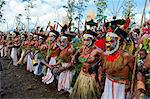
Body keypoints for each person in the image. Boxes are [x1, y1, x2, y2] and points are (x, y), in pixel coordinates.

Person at [94, 32, 134, 99]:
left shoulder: (126, 56)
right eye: (107, 41)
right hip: (108, 84)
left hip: (121, 87)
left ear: (118, 41)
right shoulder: (105, 55)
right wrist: (99, 80)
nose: (108, 44)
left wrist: (134, 89)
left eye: (111, 41)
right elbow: (101, 69)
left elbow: (134, 73)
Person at [70, 34, 103, 99]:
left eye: (87, 40)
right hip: (82, 74)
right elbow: (78, 51)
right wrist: (73, 57)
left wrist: (99, 75)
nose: (85, 42)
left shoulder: (96, 50)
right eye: (84, 40)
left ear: (92, 40)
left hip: (91, 75)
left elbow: (103, 60)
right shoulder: (83, 47)